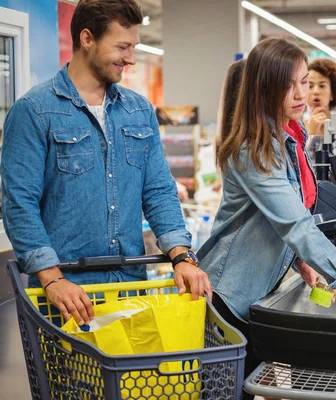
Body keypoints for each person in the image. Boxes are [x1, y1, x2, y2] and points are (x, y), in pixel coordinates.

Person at [197, 37, 336, 399]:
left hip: (255, 295)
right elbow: (295, 224)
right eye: (289, 85)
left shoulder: (287, 140)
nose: (301, 94)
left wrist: (297, 261)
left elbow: (275, 219)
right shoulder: (252, 149)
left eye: (304, 82)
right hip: (227, 299)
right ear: (264, 88)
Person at [1, 0, 211, 327]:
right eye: (122, 46)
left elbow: (158, 190)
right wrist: (52, 278)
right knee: (69, 380)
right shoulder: (34, 111)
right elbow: (19, 204)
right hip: (67, 294)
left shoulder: (138, 110)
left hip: (130, 288)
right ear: (87, 39)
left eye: (133, 46)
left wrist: (182, 257)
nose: (130, 58)